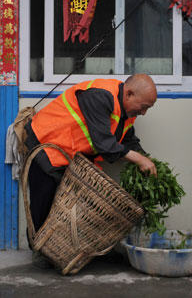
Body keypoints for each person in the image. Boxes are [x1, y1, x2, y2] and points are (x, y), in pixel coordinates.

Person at [24, 74, 158, 268]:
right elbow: (104, 144)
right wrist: (138, 159)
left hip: (71, 154)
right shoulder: (100, 96)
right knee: (46, 201)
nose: (144, 112)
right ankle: (45, 252)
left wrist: (147, 159)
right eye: (144, 106)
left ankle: (73, 253)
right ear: (129, 94)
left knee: (78, 206)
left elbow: (128, 140)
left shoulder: (127, 112)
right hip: (47, 143)